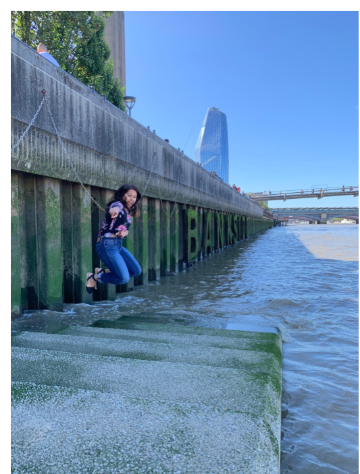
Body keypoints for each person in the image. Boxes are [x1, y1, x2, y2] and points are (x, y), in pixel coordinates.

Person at [86, 184, 142, 293]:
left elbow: (123, 228)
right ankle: (94, 277)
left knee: (136, 271)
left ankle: (102, 272)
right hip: (107, 245)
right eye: (129, 195)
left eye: (134, 197)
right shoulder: (118, 204)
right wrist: (114, 211)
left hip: (117, 245)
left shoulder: (127, 210)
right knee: (123, 278)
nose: (132, 199)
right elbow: (114, 208)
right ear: (122, 195)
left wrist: (125, 232)